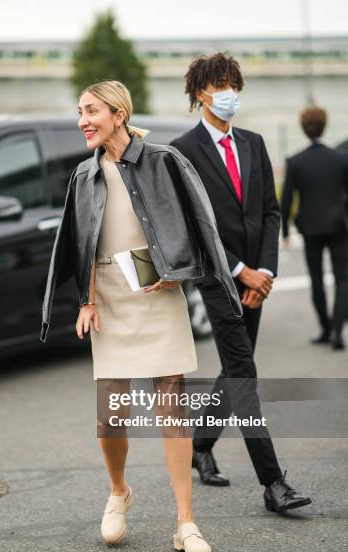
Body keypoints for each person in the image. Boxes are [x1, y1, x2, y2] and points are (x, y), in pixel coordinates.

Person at [40, 79, 244, 552]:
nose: (82, 121)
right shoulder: (84, 176)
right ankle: (118, 491)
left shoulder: (165, 161)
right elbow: (81, 244)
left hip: (157, 296)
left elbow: (200, 224)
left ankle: (186, 524)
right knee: (111, 410)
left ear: (118, 112)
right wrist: (86, 301)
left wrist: (175, 269)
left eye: (90, 110)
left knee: (170, 405)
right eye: (79, 112)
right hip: (109, 296)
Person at [170, 53, 312, 513]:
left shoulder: (252, 142)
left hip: (257, 280)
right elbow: (191, 225)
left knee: (235, 368)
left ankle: (199, 445)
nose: (229, 92)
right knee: (244, 373)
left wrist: (264, 272)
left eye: (233, 83)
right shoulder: (182, 151)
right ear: (199, 94)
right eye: (219, 85)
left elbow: (270, 211)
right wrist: (237, 270)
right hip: (219, 278)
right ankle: (274, 483)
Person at [281, 106, 348, 349]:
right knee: (343, 279)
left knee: (316, 279)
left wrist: (286, 232)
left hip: (310, 227)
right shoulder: (340, 158)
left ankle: (325, 328)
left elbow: (287, 199)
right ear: (325, 125)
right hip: (339, 226)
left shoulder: (296, 161)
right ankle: (338, 331)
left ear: (303, 128)